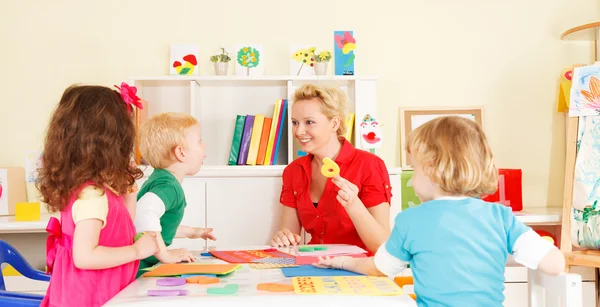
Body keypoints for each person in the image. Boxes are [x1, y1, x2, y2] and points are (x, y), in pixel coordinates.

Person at [314, 116, 565, 306]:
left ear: (431, 168)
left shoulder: (411, 220)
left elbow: (380, 267)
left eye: (414, 169)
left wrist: (343, 262)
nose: (412, 180)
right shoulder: (500, 217)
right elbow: (554, 264)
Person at [37, 83, 160, 307]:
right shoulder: (91, 195)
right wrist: (136, 251)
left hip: (102, 294)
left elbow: (120, 231)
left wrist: (129, 190)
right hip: (89, 298)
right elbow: (85, 257)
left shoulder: (96, 190)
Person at [271, 84, 392, 254]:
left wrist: (354, 204)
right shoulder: (293, 171)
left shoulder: (369, 165)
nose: (299, 131)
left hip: (361, 268)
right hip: (316, 265)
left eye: (309, 122)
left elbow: (382, 247)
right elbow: (290, 236)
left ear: (334, 123)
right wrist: (284, 238)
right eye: (295, 122)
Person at [134, 112, 216, 277]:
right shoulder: (169, 187)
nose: (204, 146)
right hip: (138, 270)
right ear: (181, 153)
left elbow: (159, 227)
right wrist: (164, 254)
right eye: (199, 141)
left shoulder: (161, 179)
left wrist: (192, 232)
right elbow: (144, 213)